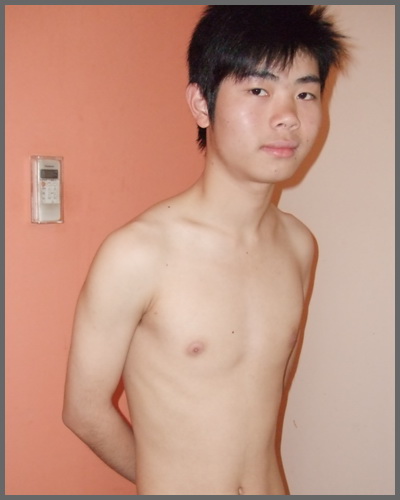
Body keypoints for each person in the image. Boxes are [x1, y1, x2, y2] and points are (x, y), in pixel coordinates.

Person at [62, 6, 347, 495]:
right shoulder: (137, 253)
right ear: (201, 103)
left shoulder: (299, 245)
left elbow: (264, 399)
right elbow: (83, 411)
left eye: (305, 93)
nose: (288, 117)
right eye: (258, 90)